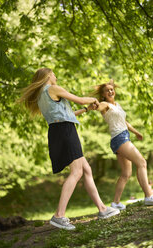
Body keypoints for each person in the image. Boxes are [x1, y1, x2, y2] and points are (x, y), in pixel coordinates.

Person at [18, 68, 120, 230]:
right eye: (54, 73)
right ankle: (59, 215)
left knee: (86, 169)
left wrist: (87, 109)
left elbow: (68, 113)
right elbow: (79, 99)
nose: (56, 76)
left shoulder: (41, 96)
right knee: (77, 171)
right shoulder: (52, 88)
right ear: (48, 76)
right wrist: (93, 100)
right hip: (65, 131)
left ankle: (102, 209)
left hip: (58, 130)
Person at [94, 79, 153, 210]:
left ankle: (116, 202)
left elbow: (125, 122)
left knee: (126, 173)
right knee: (142, 163)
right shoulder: (105, 104)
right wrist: (91, 105)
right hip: (120, 138)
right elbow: (98, 107)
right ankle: (149, 196)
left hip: (122, 137)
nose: (110, 91)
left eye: (111, 89)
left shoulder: (117, 105)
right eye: (107, 90)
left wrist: (136, 132)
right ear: (103, 94)